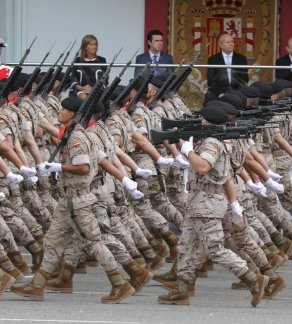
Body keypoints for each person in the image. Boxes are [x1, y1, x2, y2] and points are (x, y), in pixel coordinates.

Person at [11, 97, 135, 304]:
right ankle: (37, 285)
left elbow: (84, 167)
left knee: (93, 242)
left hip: (77, 201)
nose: (58, 112)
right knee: (52, 241)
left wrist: (59, 168)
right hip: (67, 200)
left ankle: (119, 282)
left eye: (62, 110)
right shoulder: (78, 133)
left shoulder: (77, 136)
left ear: (71, 115)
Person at [157, 106, 269, 307]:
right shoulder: (212, 141)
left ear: (206, 121)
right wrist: (233, 201)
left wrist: (188, 151)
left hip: (206, 204)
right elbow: (226, 176)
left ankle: (252, 279)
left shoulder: (211, 144)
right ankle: (181, 289)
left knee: (215, 249)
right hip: (197, 202)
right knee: (185, 246)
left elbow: (202, 167)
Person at [205, 34, 248, 101]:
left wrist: (236, 93)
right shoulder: (213, 59)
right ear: (221, 45)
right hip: (218, 93)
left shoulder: (241, 59)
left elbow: (244, 79)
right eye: (228, 42)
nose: (231, 44)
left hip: (237, 93)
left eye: (232, 42)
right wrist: (221, 94)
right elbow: (211, 81)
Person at [69, 35, 107, 100]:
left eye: (95, 44)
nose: (94, 47)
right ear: (85, 47)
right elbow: (72, 80)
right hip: (80, 91)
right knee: (83, 97)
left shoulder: (102, 60)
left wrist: (93, 89)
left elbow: (105, 80)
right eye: (91, 44)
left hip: (96, 91)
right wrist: (82, 88)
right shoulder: (77, 61)